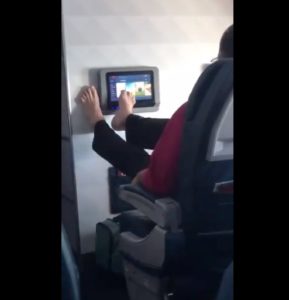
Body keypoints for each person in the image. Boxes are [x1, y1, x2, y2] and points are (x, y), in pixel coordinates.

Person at [80, 25, 233, 196]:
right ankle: (128, 121)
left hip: (194, 203)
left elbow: (158, 183)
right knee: (194, 128)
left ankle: (98, 124)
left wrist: (145, 177)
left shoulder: (193, 110)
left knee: (144, 160)